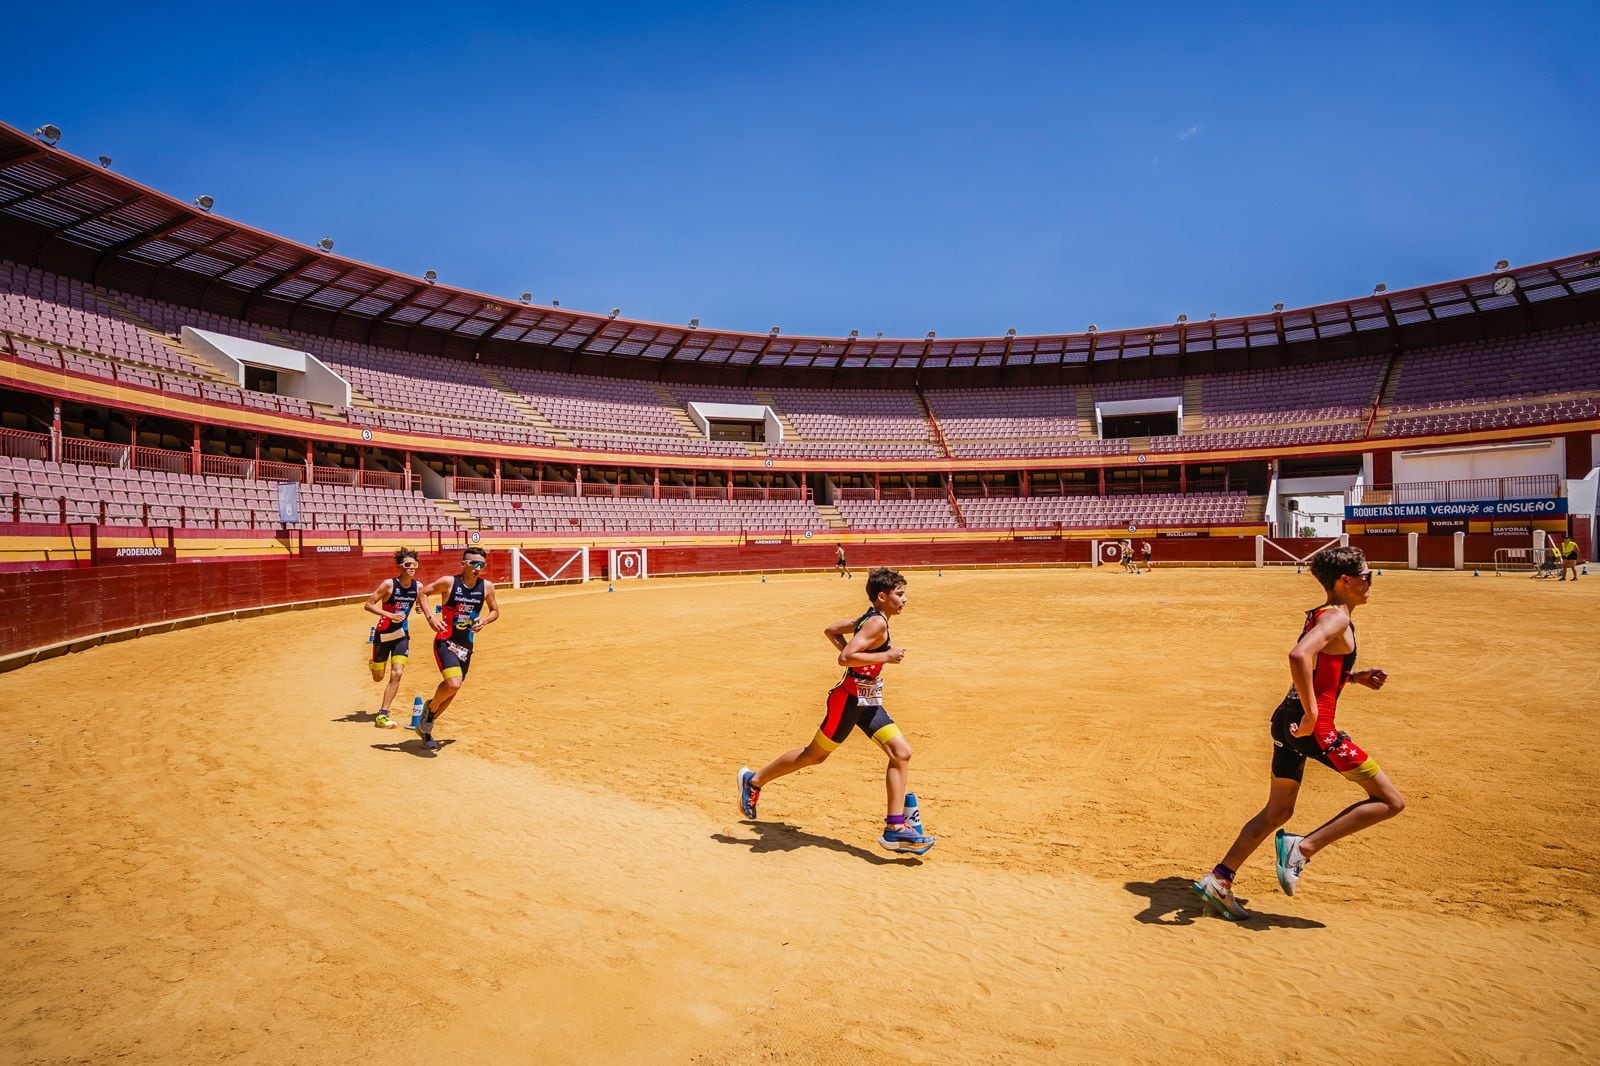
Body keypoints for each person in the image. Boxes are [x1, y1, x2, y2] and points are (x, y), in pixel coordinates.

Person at [1192, 545, 1405, 920]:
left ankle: (1219, 879)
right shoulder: (1337, 619)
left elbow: (1320, 666)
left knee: (1277, 810)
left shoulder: (1323, 614)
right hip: (1313, 729)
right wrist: (1311, 715)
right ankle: (1302, 849)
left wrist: (1353, 678)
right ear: (1346, 581)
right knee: (1390, 801)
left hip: (1285, 720)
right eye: (1367, 576)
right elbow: (1299, 656)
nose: (1371, 582)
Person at [737, 566, 934, 854]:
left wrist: (864, 660)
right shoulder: (876, 624)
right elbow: (845, 658)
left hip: (867, 701)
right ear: (882, 596)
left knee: (901, 753)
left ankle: (894, 827)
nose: (905, 600)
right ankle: (753, 781)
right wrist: (886, 657)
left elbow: (831, 631)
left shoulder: (869, 618)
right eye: (900, 594)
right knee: (813, 756)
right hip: (848, 702)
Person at [415, 546, 500, 751]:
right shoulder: (449, 582)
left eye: (481, 564)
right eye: (474, 563)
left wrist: (485, 621)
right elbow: (423, 593)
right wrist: (430, 617)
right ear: (463, 563)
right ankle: (429, 709)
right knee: (452, 684)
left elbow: (495, 611)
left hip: (466, 645)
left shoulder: (487, 587)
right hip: (446, 641)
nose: (478, 568)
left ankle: (426, 727)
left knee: (453, 690)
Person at [363, 547, 423, 728]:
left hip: (401, 635)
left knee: (397, 673)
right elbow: (368, 604)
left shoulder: (418, 586)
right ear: (400, 566)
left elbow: (419, 603)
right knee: (378, 677)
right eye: (408, 564)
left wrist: (420, 608)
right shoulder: (389, 585)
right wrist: (389, 615)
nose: (412, 567)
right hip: (383, 634)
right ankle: (374, 664)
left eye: (415, 564)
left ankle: (383, 714)